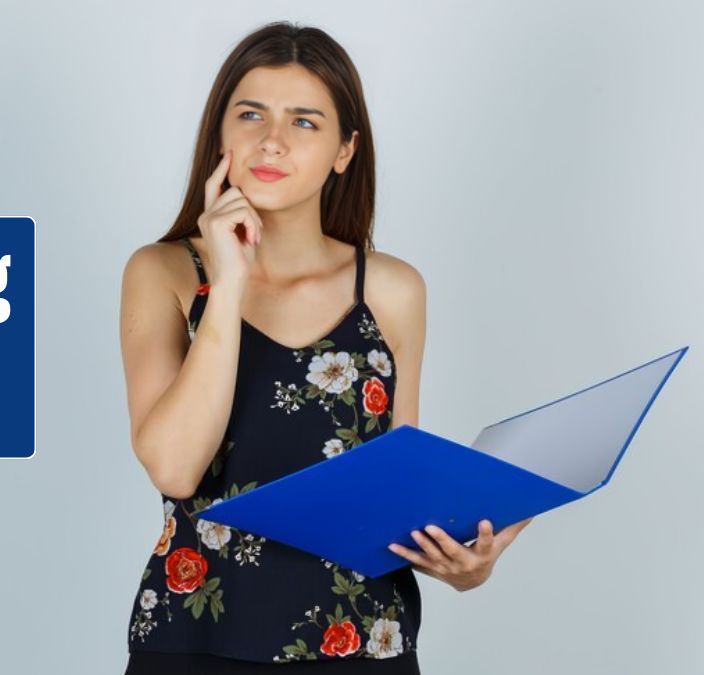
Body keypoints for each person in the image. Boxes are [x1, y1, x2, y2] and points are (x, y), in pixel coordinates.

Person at [118, 22, 533, 674]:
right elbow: (175, 468)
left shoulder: (392, 290)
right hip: (194, 639)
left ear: (345, 150)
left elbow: (395, 487)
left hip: (364, 643)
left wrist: (462, 565)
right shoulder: (162, 273)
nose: (272, 140)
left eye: (304, 121)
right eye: (250, 114)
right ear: (220, 134)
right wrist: (227, 285)